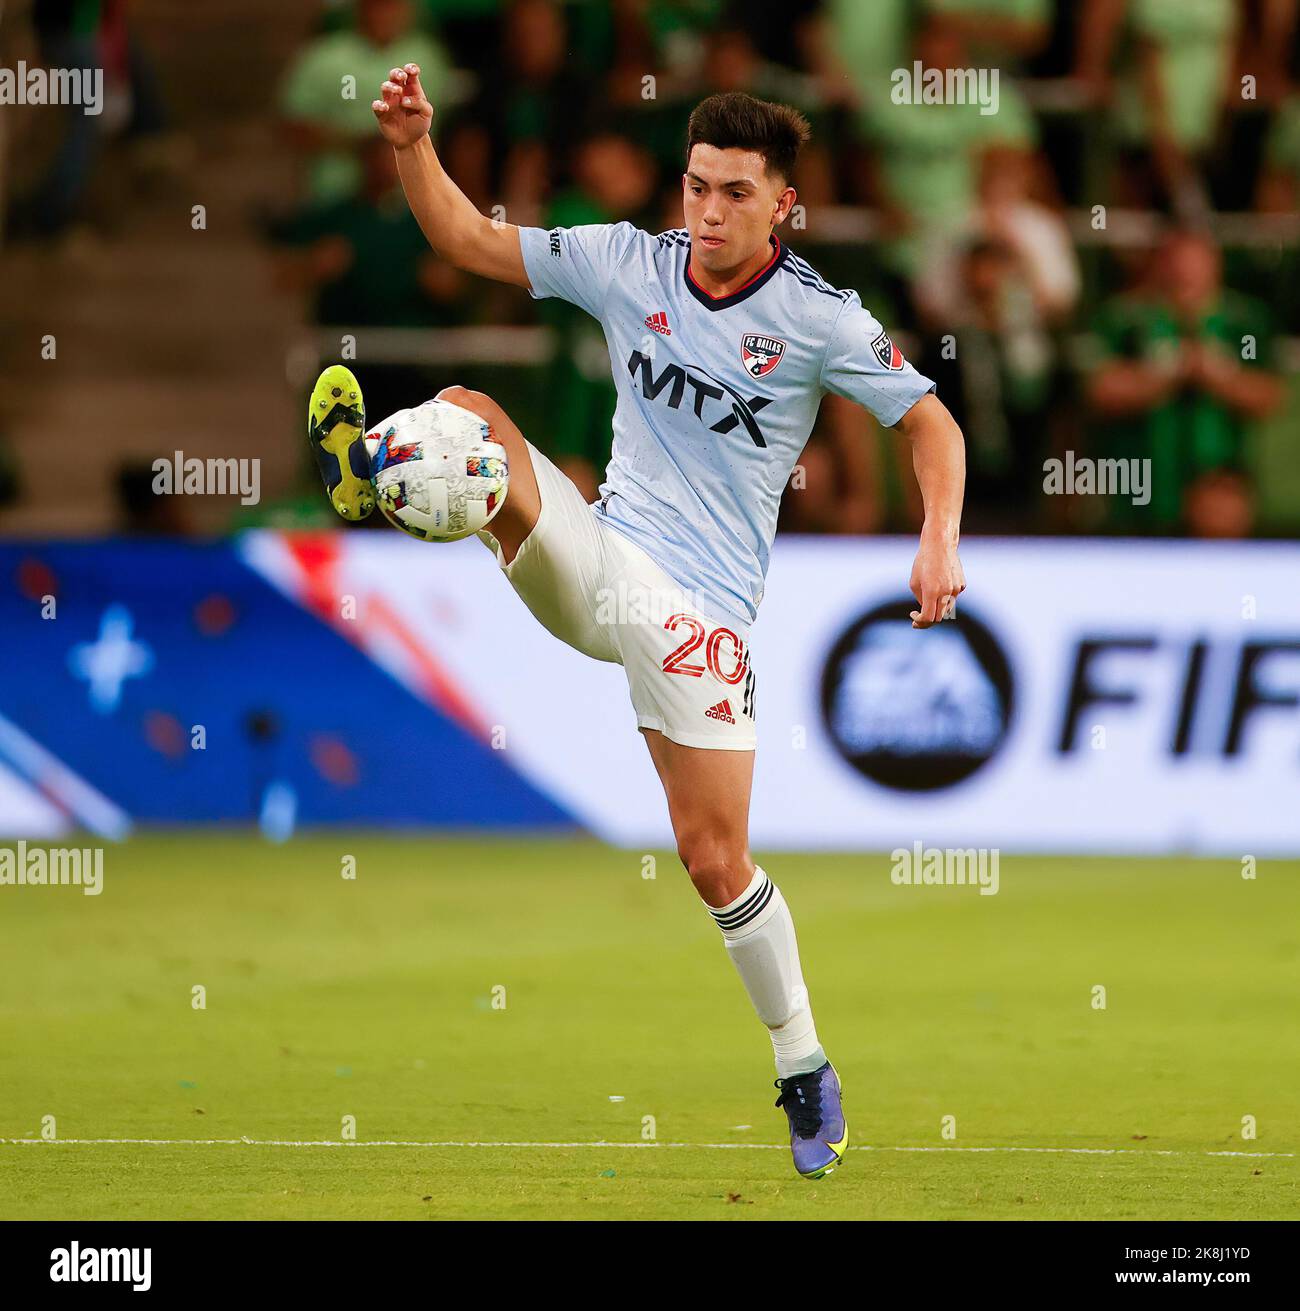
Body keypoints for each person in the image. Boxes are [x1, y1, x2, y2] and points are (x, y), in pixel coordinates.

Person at [308, 72, 967, 1180]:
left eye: (735, 193)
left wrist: (938, 534)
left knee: (714, 861)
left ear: (782, 207)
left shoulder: (820, 317)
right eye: (697, 186)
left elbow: (930, 422)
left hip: (700, 617)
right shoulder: (628, 261)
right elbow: (470, 239)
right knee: (469, 415)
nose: (708, 211)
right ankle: (373, 475)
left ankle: (801, 1066)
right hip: (601, 556)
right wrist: (414, 147)